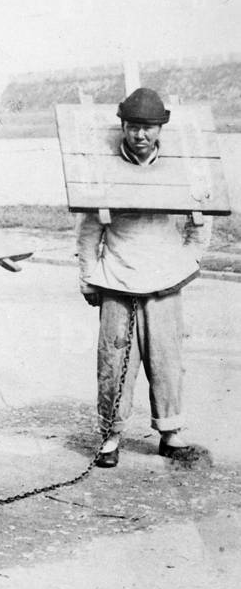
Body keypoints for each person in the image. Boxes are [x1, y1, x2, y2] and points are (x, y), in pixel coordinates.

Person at [76, 88, 212, 469]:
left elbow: (201, 223)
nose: (140, 136)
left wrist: (185, 262)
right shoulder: (103, 170)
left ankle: (170, 432)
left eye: (148, 128)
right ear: (122, 127)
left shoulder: (180, 169)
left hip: (165, 279)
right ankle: (110, 435)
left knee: (167, 359)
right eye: (133, 127)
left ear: (159, 130)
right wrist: (88, 277)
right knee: (114, 361)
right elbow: (89, 231)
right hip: (117, 279)